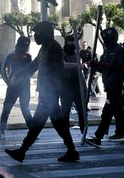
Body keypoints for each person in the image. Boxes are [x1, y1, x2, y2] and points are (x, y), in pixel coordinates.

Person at [5, 21, 79, 163]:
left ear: (45, 34)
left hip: (50, 93)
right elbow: (33, 66)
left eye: (37, 34)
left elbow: (59, 71)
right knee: (53, 123)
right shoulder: (44, 48)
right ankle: (71, 150)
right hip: (46, 92)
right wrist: (18, 74)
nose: (35, 37)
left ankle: (23, 151)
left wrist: (54, 92)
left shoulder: (54, 49)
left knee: (40, 124)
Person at [85, 27, 124, 148]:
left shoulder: (119, 50)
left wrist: (108, 66)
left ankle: (98, 137)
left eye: (107, 38)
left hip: (116, 84)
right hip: (108, 84)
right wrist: (96, 65)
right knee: (119, 112)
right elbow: (103, 68)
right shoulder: (107, 51)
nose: (105, 40)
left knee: (107, 112)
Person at [0, 36, 33, 140]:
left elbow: (30, 70)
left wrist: (26, 79)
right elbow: (2, 69)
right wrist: (8, 82)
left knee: (25, 108)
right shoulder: (11, 56)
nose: (25, 48)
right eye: (23, 45)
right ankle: (2, 132)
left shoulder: (28, 57)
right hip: (13, 87)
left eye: (27, 45)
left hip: (25, 86)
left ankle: (32, 132)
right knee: (6, 108)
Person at [61, 35, 86, 132]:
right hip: (65, 86)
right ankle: (65, 135)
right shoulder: (62, 53)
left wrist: (84, 87)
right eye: (70, 41)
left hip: (77, 86)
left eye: (73, 41)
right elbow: (62, 65)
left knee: (82, 111)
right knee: (65, 112)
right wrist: (77, 65)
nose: (72, 44)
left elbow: (81, 70)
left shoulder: (77, 55)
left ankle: (84, 133)